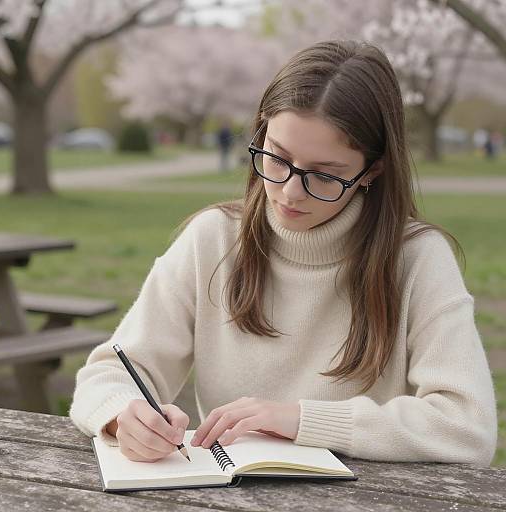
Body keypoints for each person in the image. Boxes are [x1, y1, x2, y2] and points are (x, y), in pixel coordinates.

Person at [70, 40, 497, 466]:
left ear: (373, 170)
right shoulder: (214, 240)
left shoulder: (419, 259)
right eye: (277, 158)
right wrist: (122, 417)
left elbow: (467, 427)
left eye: (324, 176)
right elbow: (108, 373)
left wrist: (301, 420)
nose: (289, 193)